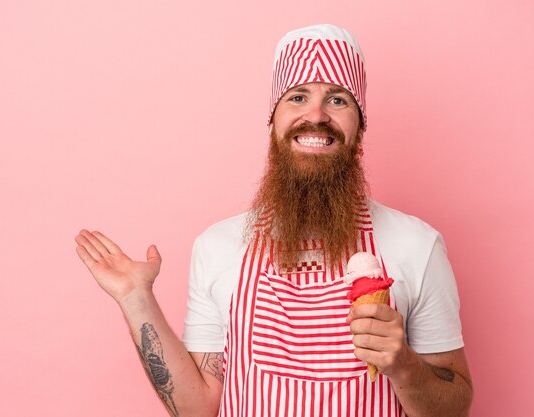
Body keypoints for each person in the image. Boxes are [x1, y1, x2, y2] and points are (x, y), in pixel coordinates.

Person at [75, 24, 473, 417]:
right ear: (273, 121)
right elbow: (198, 409)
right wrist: (136, 299)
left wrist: (402, 364)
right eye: (297, 97)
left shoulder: (417, 245)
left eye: (338, 100)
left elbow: (455, 408)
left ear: (360, 126)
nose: (316, 115)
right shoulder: (218, 247)